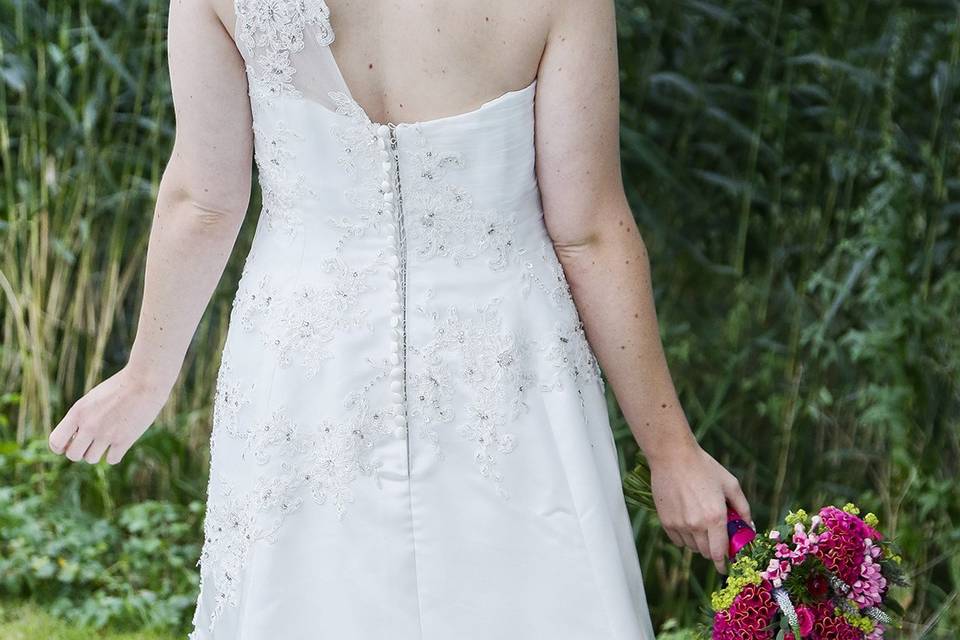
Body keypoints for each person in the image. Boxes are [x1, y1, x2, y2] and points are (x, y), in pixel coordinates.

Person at [48, 1, 752, 638]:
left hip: (303, 371)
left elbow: (204, 202)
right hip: (510, 370)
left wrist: (146, 377)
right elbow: (589, 231)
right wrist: (670, 452)